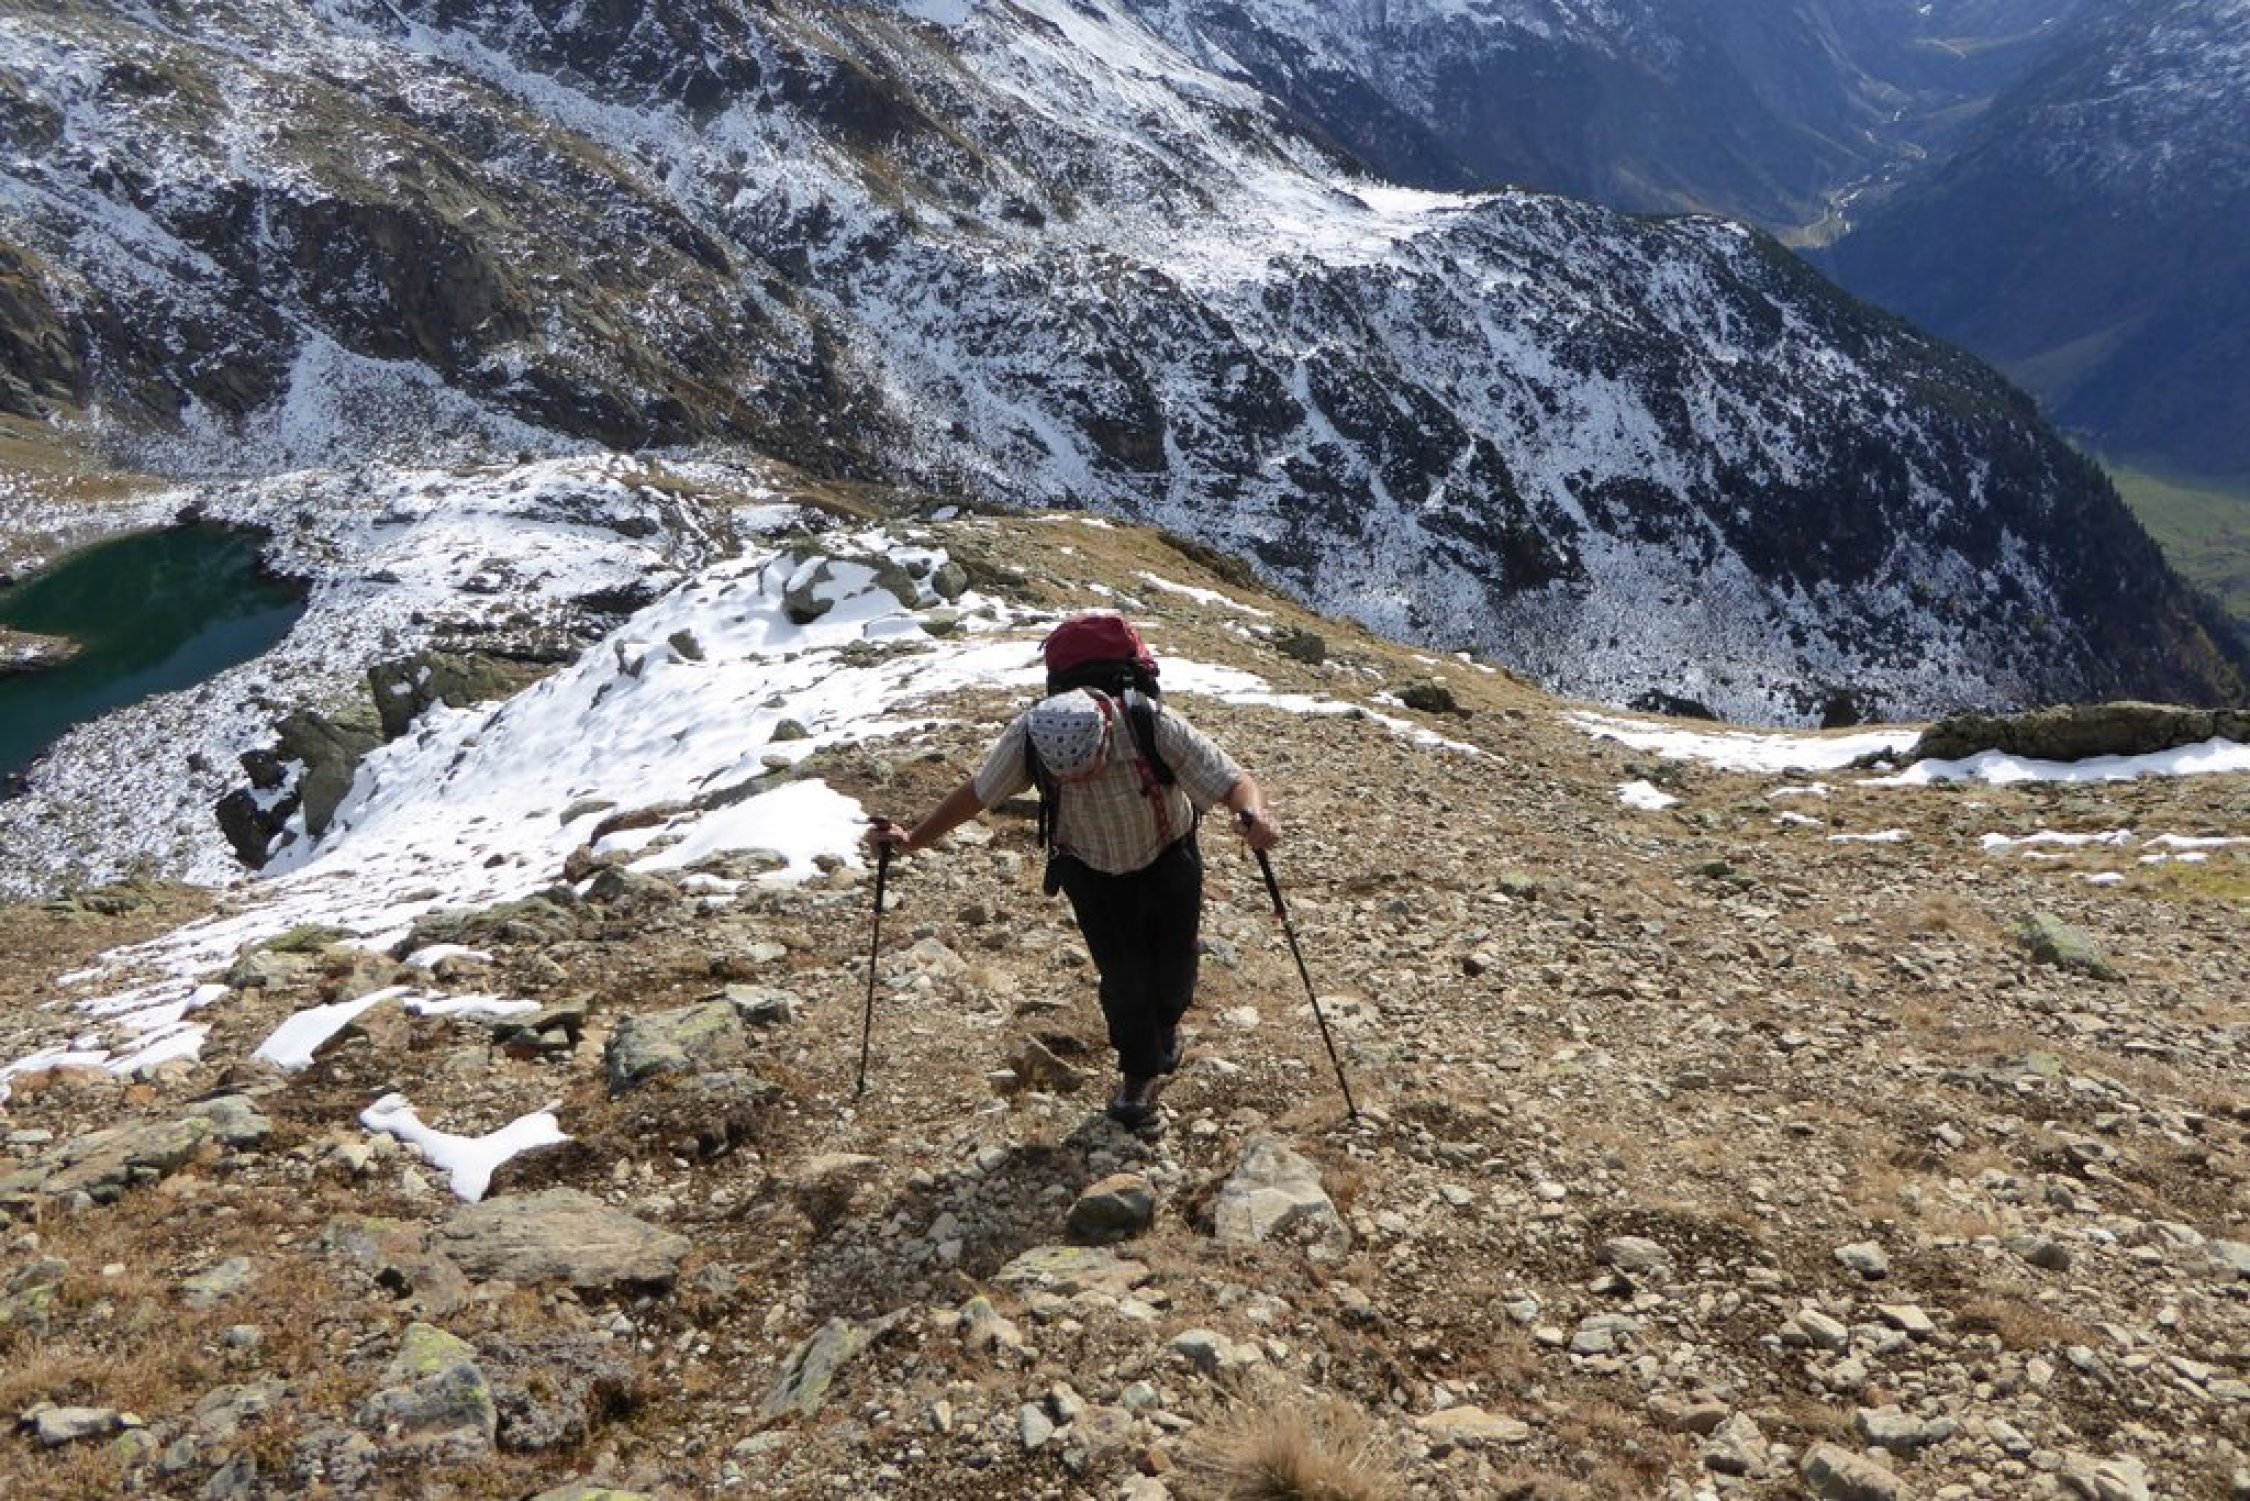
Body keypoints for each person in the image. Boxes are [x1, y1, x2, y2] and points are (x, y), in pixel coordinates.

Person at [866, 618, 1278, 1127]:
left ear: (1105, 732)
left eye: (1087, 765)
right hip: (1091, 873)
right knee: (1124, 981)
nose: (1076, 777)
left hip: (1170, 858)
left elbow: (1233, 781)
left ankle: (1167, 1023)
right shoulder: (1032, 736)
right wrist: (912, 839)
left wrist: (1254, 815)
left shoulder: (1149, 723)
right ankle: (1139, 1073)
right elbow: (978, 793)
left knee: (1175, 970)